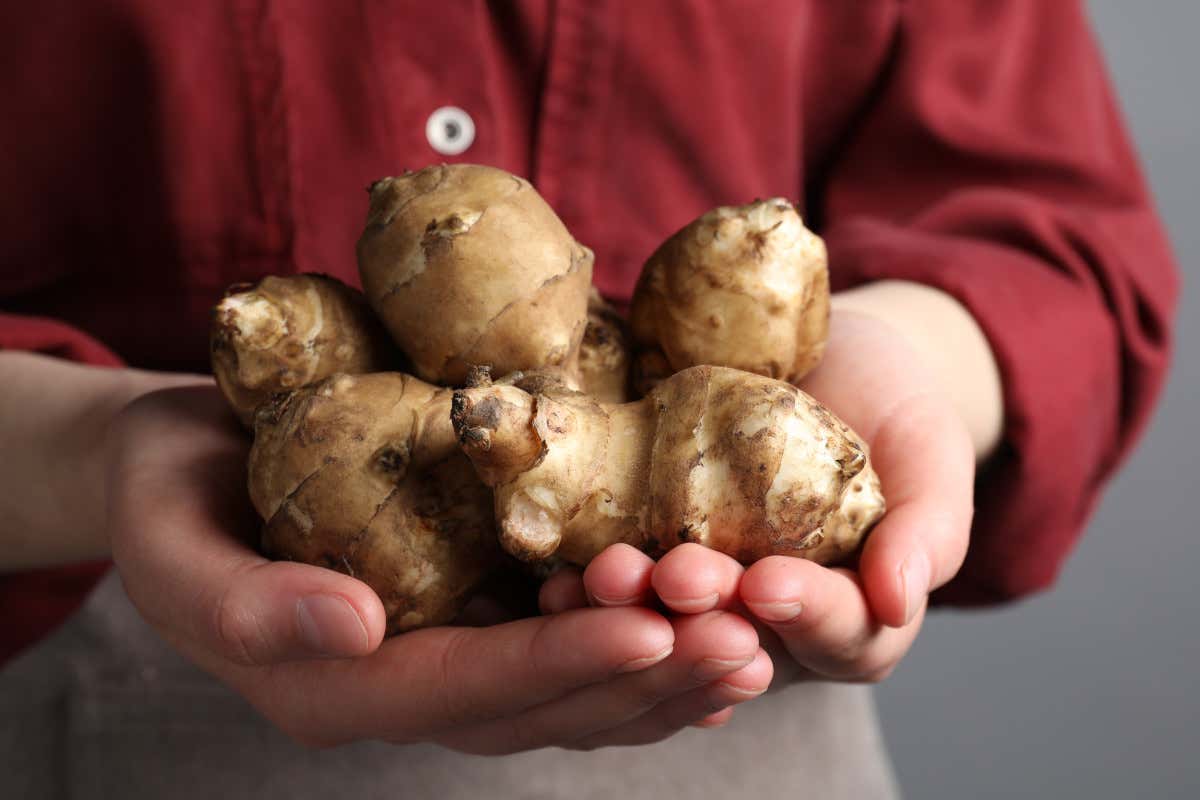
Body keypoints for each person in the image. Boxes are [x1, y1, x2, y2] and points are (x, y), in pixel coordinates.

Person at [0, 1, 1178, 797]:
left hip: (734, 691)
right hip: (116, 677)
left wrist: (912, 355)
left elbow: (1054, 244)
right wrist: (100, 452)